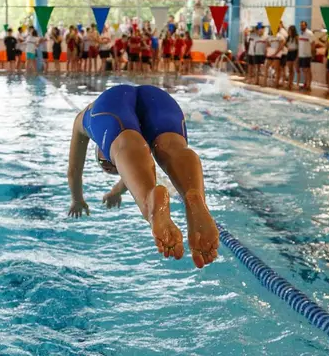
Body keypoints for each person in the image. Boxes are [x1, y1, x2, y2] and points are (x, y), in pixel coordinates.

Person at [67, 84, 219, 269]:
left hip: (109, 108)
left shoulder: (82, 121)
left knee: (124, 145)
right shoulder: (88, 119)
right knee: (172, 147)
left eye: (108, 163)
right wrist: (117, 190)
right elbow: (134, 170)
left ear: (100, 153)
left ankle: (150, 204)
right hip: (158, 98)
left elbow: (74, 171)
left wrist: (77, 200)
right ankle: (196, 197)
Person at [297, 21, 315, 91]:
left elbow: (313, 44)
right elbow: (300, 45)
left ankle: (308, 85)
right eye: (301, 25)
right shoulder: (301, 34)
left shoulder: (309, 33)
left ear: (306, 26)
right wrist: (298, 55)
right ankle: (306, 83)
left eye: (303, 25)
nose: (301, 27)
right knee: (303, 70)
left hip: (307, 55)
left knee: (307, 70)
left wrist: (313, 54)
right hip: (301, 55)